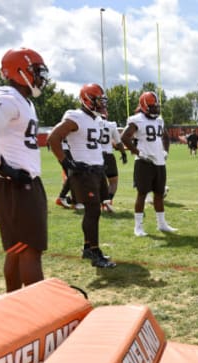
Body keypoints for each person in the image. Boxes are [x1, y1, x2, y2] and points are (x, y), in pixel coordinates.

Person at [0, 47, 49, 292]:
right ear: (21, 71)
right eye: (36, 71)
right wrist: (3, 168)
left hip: (20, 183)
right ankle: (36, 313)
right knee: (29, 251)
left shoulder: (22, 100)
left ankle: (13, 305)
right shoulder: (8, 96)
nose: (40, 77)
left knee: (18, 251)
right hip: (15, 185)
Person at [48, 83, 116, 268]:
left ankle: (88, 247)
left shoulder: (95, 119)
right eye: (98, 100)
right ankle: (95, 252)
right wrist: (66, 162)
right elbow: (53, 138)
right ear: (87, 100)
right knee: (92, 211)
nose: (101, 104)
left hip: (96, 170)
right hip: (83, 172)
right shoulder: (75, 116)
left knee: (94, 211)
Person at [121, 91, 176, 237]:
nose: (155, 109)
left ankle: (162, 224)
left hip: (159, 161)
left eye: (156, 106)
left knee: (159, 193)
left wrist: (165, 151)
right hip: (144, 162)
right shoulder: (136, 119)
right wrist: (137, 152)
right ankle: (138, 227)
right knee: (142, 194)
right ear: (144, 106)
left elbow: (165, 137)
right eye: (152, 107)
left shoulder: (159, 120)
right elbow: (124, 137)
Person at [98, 111, 127, 212]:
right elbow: (118, 142)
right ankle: (108, 202)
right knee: (113, 182)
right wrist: (123, 154)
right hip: (108, 155)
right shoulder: (111, 125)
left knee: (96, 182)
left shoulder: (91, 123)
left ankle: (98, 203)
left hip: (94, 156)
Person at [55, 138, 83, 210]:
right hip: (69, 150)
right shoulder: (70, 126)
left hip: (65, 150)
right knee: (74, 177)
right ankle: (75, 202)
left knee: (72, 177)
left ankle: (63, 198)